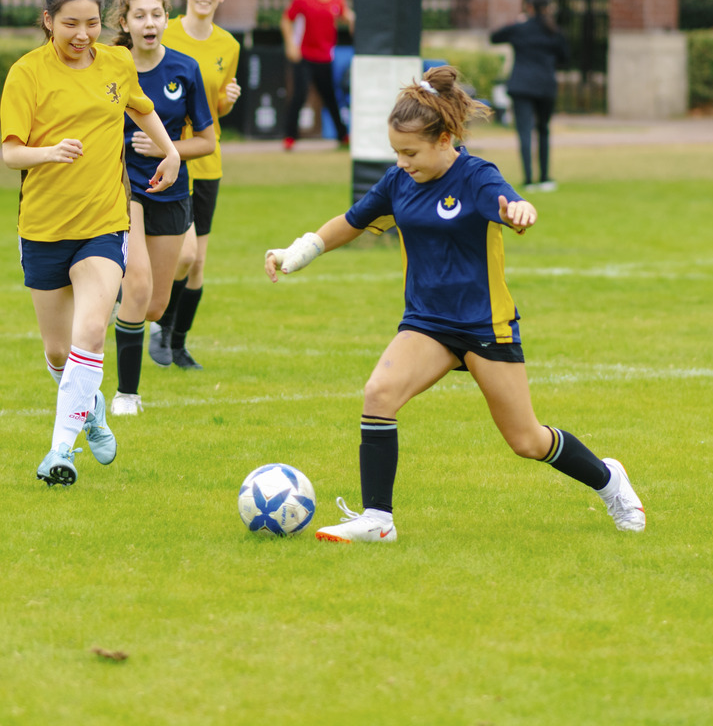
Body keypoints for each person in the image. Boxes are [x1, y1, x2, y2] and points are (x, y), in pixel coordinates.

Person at [263, 64, 645, 542]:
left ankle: (609, 481)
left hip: (484, 323)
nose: (402, 162)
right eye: (396, 152)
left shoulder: (476, 176)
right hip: (426, 321)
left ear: (445, 140)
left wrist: (519, 211)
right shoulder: (399, 180)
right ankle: (378, 521)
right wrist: (296, 253)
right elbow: (353, 220)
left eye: (411, 152)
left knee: (526, 440)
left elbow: (508, 204)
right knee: (379, 394)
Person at [0, 0, 181, 485]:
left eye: (92, 23)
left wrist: (170, 153)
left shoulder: (116, 65)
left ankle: (59, 451)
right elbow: (11, 153)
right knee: (59, 352)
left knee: (91, 332)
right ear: (48, 21)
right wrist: (48, 152)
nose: (83, 35)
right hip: (42, 227)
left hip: (105, 222)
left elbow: (141, 108)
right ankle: (92, 409)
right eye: (71, 24)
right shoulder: (27, 73)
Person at [108, 0, 215, 415]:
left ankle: (109, 290)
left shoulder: (185, 70)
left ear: (166, 18)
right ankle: (126, 395)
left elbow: (206, 141)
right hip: (122, 185)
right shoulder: (110, 66)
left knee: (153, 305)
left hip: (170, 188)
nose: (149, 23)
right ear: (124, 23)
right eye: (139, 15)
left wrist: (168, 148)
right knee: (137, 286)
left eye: (156, 14)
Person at [152, 0, 241, 370]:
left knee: (197, 262)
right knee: (180, 256)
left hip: (207, 160)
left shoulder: (229, 45)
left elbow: (212, 108)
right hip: (164, 157)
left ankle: (176, 342)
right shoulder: (162, 33)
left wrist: (226, 101)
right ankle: (153, 322)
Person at [491, 0, 566, 190]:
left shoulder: (520, 28)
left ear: (529, 7)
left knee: (524, 131)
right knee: (543, 130)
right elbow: (565, 56)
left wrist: (517, 21)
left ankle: (528, 180)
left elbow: (494, 37)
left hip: (521, 85)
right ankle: (545, 177)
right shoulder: (553, 31)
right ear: (549, 8)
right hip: (545, 85)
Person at [280, 0, 353, 151]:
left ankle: (343, 135)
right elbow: (286, 20)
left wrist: (352, 19)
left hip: (325, 57)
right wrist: (290, 45)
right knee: (300, 95)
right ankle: (290, 137)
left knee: (330, 96)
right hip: (303, 56)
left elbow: (344, 14)